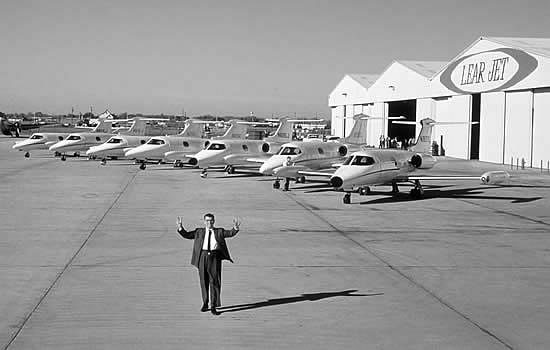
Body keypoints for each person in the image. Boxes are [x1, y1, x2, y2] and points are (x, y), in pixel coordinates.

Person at [177, 213, 241, 315]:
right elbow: (188, 235)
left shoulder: (219, 231)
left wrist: (235, 228)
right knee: (204, 281)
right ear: (204, 221)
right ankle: (205, 303)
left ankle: (213, 306)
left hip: (214, 258)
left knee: (214, 282)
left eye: (211, 220)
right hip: (202, 257)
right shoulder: (199, 231)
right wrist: (180, 228)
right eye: (207, 220)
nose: (209, 222)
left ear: (214, 221)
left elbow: (229, 233)